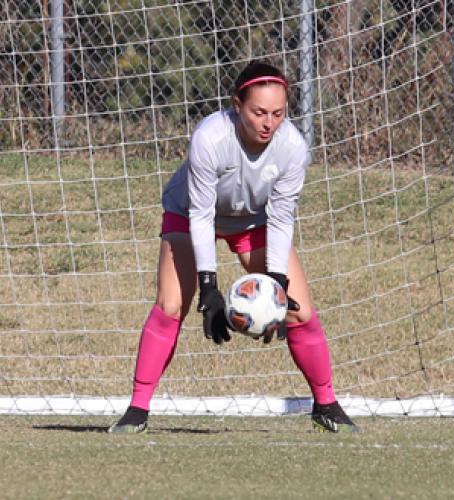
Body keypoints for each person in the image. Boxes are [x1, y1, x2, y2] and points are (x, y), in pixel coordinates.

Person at [108, 61, 358, 434]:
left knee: (300, 312)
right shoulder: (211, 137)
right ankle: (137, 411)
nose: (268, 123)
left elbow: (281, 217)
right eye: (258, 112)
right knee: (171, 305)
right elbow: (202, 215)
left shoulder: (292, 147)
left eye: (277, 113)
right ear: (236, 105)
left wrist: (276, 282)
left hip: (254, 222)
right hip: (190, 213)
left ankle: (325, 404)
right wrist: (209, 286)